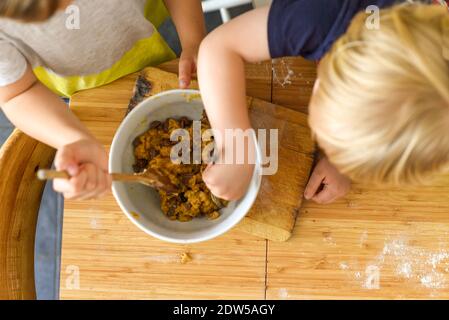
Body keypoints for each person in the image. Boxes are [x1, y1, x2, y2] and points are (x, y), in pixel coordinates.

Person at [0, 0, 206, 200]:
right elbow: (17, 93)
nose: (69, 11)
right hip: (83, 85)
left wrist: (193, 41)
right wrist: (74, 139)